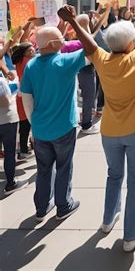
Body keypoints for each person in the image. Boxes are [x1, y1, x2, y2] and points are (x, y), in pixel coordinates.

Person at [58, 0, 135, 252]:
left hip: (110, 132)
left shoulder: (102, 60)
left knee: (114, 176)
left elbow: (90, 44)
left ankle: (108, 220)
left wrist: (73, 21)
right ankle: (131, 236)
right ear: (131, 43)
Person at [20, 26, 86, 222]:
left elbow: (27, 99)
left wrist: (35, 124)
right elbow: (92, 47)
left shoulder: (31, 65)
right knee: (64, 167)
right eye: (61, 38)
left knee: (44, 169)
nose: (64, 41)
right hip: (64, 127)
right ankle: (63, 205)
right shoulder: (66, 61)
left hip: (41, 129)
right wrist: (76, 24)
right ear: (52, 43)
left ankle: (41, 208)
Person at [0, 68, 28, 195]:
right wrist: (15, 91)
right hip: (6, 120)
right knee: (9, 153)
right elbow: (5, 101)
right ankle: (10, 183)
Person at [11, 42, 36, 159]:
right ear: (24, 52)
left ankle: (23, 149)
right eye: (29, 50)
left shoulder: (19, 61)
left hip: (20, 95)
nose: (32, 52)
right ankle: (27, 149)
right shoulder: (29, 61)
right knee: (30, 123)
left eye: (33, 50)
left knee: (24, 124)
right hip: (29, 95)